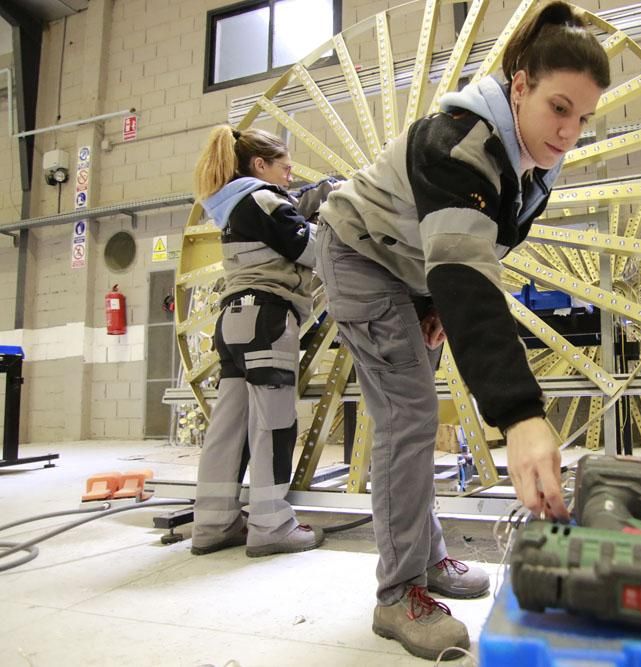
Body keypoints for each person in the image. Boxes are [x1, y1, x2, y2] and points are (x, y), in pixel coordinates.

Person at [314, 1, 610, 660]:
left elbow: (477, 247)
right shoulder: (457, 142)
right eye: (559, 108)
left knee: (416, 410)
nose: (569, 133)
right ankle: (398, 593)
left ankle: (426, 556)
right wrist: (522, 416)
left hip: (407, 265)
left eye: (584, 118)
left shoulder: (535, 156)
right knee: (409, 414)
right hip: (360, 254)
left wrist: (434, 297)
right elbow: (472, 280)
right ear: (520, 85)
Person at [190, 126, 326, 558]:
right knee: (274, 423)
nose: (289, 176)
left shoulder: (231, 207)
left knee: (228, 427)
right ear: (260, 165)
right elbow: (314, 251)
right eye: (285, 168)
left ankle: (213, 524)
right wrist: (331, 216)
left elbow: (283, 226)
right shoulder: (264, 199)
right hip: (267, 319)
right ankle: (271, 525)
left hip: (233, 322)